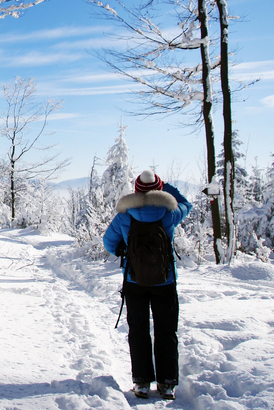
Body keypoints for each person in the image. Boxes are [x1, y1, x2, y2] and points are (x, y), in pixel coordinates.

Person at [103, 170, 193, 401]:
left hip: (134, 281)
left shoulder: (124, 215)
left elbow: (109, 241)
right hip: (166, 281)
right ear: (157, 189)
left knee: (139, 330)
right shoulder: (168, 213)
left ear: (136, 190)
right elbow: (186, 203)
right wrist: (167, 187)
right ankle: (167, 384)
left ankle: (142, 382)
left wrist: (123, 251)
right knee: (166, 330)